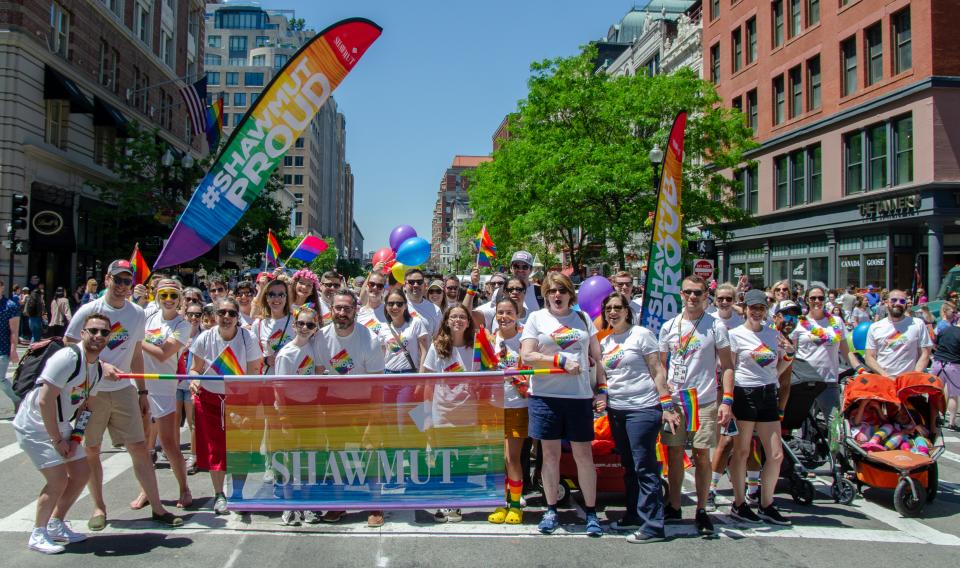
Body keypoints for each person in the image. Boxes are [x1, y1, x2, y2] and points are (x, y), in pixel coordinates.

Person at [65, 259, 183, 530]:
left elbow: (137, 350)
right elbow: (69, 342)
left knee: (139, 448)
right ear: (106, 279)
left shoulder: (137, 313)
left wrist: (142, 390)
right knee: (92, 448)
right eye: (116, 280)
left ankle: (157, 507)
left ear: (132, 285)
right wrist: (98, 364)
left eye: (126, 281)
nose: (121, 286)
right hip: (90, 391)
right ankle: (99, 507)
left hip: (124, 390)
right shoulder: (90, 309)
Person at [520, 272, 606, 537]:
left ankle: (591, 512)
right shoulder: (537, 318)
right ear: (545, 294)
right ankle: (551, 509)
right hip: (546, 398)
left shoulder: (582, 319)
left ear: (571, 294)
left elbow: (598, 358)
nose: (557, 295)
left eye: (562, 290)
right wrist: (559, 361)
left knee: (583, 456)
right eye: (551, 291)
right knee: (550, 457)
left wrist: (601, 390)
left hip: (578, 397)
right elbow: (527, 355)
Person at [14, 313, 107, 553]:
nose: (98, 336)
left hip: (63, 423)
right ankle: (38, 533)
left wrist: (76, 438)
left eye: (104, 332)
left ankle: (56, 523)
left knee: (81, 473)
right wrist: (57, 440)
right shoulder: (67, 357)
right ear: (83, 333)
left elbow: (87, 406)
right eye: (93, 331)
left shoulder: (96, 368)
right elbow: (45, 401)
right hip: (35, 424)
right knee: (57, 480)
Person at [657, 275, 734, 536]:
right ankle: (675, 504)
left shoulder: (715, 326)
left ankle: (701, 510)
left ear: (705, 296)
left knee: (702, 455)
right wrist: (664, 399)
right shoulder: (669, 326)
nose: (693, 297)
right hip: (676, 401)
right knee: (675, 453)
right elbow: (661, 366)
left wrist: (727, 400)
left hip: (704, 400)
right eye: (688, 292)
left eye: (698, 293)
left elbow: (727, 366)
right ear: (681, 294)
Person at [600, 293, 675, 543]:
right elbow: (605, 379)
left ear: (627, 310)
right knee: (629, 466)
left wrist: (666, 404)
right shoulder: (606, 342)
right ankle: (633, 514)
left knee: (645, 466)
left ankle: (654, 525)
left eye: (618, 307)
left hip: (643, 408)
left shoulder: (641, 335)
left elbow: (657, 370)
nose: (613, 312)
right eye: (609, 308)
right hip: (617, 410)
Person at [312, 288, 385, 526]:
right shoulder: (320, 337)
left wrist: (373, 422)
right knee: (335, 455)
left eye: (347, 308)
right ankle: (338, 503)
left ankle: (375, 505)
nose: (342, 313)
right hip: (335, 405)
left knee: (371, 453)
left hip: (364, 403)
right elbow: (319, 376)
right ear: (331, 310)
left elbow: (377, 385)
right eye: (338, 308)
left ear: (355, 310)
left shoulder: (370, 339)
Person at [727, 289, 794, 526]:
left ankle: (766, 504)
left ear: (766, 311)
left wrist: (787, 357)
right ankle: (739, 503)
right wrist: (727, 400)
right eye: (753, 308)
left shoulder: (773, 335)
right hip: (744, 393)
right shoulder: (734, 335)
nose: (757, 312)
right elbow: (728, 369)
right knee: (742, 452)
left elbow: (780, 367)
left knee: (776, 454)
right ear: (745, 309)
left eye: (761, 308)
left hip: (768, 393)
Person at [189, 297, 261, 514]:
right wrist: (194, 380)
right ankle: (219, 494)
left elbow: (253, 373)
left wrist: (248, 407)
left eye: (231, 313)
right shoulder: (204, 338)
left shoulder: (248, 338)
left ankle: (238, 493)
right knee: (215, 449)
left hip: (239, 399)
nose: (226, 317)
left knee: (240, 447)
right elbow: (195, 369)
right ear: (214, 316)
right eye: (222, 313)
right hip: (210, 400)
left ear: (238, 317)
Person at [131, 279, 192, 511]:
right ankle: (146, 490)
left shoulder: (182, 325)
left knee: (169, 445)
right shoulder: (147, 315)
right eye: (164, 295)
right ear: (156, 295)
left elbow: (162, 353)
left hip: (164, 389)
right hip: (140, 386)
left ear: (180, 299)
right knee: (142, 445)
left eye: (173, 296)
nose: (168, 300)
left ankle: (184, 488)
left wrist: (138, 339)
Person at [422, 304, 480, 523]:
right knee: (442, 459)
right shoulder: (437, 346)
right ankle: (442, 501)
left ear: (468, 321)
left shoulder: (477, 346)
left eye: (462, 317)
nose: (458, 320)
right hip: (441, 413)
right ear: (446, 321)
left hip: (467, 414)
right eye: (453, 316)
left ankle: (456, 503)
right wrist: (426, 415)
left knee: (462, 460)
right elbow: (427, 382)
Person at [274, 305, 324, 525]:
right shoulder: (286, 353)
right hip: (291, 409)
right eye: (301, 324)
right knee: (289, 457)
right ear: (294, 325)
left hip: (311, 408)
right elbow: (279, 388)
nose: (305, 328)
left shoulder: (315, 346)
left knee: (309, 458)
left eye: (310, 325)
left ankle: (308, 504)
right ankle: (289, 505)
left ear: (316, 328)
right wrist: (284, 417)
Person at [486, 298, 531, 526]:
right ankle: (499, 502)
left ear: (518, 313)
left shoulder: (525, 340)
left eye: (509, 312)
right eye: (500, 312)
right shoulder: (488, 340)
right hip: (493, 407)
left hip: (517, 406)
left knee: (512, 458)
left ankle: (515, 505)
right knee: (496, 460)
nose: (504, 316)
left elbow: (531, 374)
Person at [791, 286, 861, 426]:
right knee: (803, 425)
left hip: (829, 381)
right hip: (805, 383)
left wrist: (859, 369)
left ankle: (834, 449)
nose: (817, 301)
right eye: (813, 298)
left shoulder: (836, 321)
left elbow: (846, 351)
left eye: (821, 298)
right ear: (806, 300)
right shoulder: (798, 322)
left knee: (835, 425)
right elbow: (791, 352)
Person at [865, 289, 934, 378]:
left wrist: (914, 375)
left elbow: (925, 353)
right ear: (886, 303)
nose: (898, 303)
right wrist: (886, 376)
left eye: (902, 301)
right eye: (894, 300)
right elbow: (869, 357)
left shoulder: (918, 324)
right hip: (884, 382)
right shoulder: (875, 327)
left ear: (905, 304)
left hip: (908, 383)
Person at [177, 301, 204, 475]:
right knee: (173, 422)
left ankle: (194, 456)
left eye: (197, 315)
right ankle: (176, 455)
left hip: (192, 384)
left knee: (193, 423)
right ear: (185, 315)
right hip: (175, 382)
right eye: (190, 314)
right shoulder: (178, 332)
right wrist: (181, 347)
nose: (193, 318)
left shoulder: (204, 336)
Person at [379, 289, 429, 373]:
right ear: (386, 306)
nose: (395, 307)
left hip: (409, 375)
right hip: (388, 375)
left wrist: (421, 378)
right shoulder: (383, 327)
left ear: (405, 306)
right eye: (390, 304)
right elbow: (381, 356)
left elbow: (424, 352)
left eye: (399, 304)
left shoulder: (416, 323)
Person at [252, 278, 294, 375]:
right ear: (266, 298)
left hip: (291, 378)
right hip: (267, 380)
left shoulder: (297, 321)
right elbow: (252, 357)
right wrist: (266, 360)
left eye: (281, 294)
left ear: (286, 298)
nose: (276, 298)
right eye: (272, 294)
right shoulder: (258, 324)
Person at [932, 318, 960, 430]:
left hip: (937, 363)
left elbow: (935, 344)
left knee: (935, 393)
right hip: (954, 365)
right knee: (953, 395)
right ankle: (951, 422)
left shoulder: (945, 330)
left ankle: (934, 418)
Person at [0, 280, 22, 411]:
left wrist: (13, 350)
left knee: (1, 380)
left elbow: (14, 331)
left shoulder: (10, 306)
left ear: (2, 287)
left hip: (2, 348)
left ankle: (17, 400)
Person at [405, 269, 442, 336]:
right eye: (411, 282)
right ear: (405, 285)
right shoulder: (395, 306)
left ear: (425, 285)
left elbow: (437, 338)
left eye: (419, 282)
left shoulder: (436, 310)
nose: (415, 285)